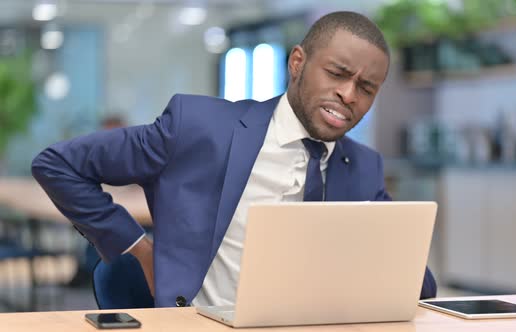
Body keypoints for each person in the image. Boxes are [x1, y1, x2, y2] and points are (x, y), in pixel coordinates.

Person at [32, 11, 437, 308]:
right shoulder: (198, 127)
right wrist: (136, 247)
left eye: (366, 88)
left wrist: (390, 254)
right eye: (337, 73)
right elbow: (58, 165)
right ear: (298, 63)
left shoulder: (363, 167)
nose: (350, 95)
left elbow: (420, 285)